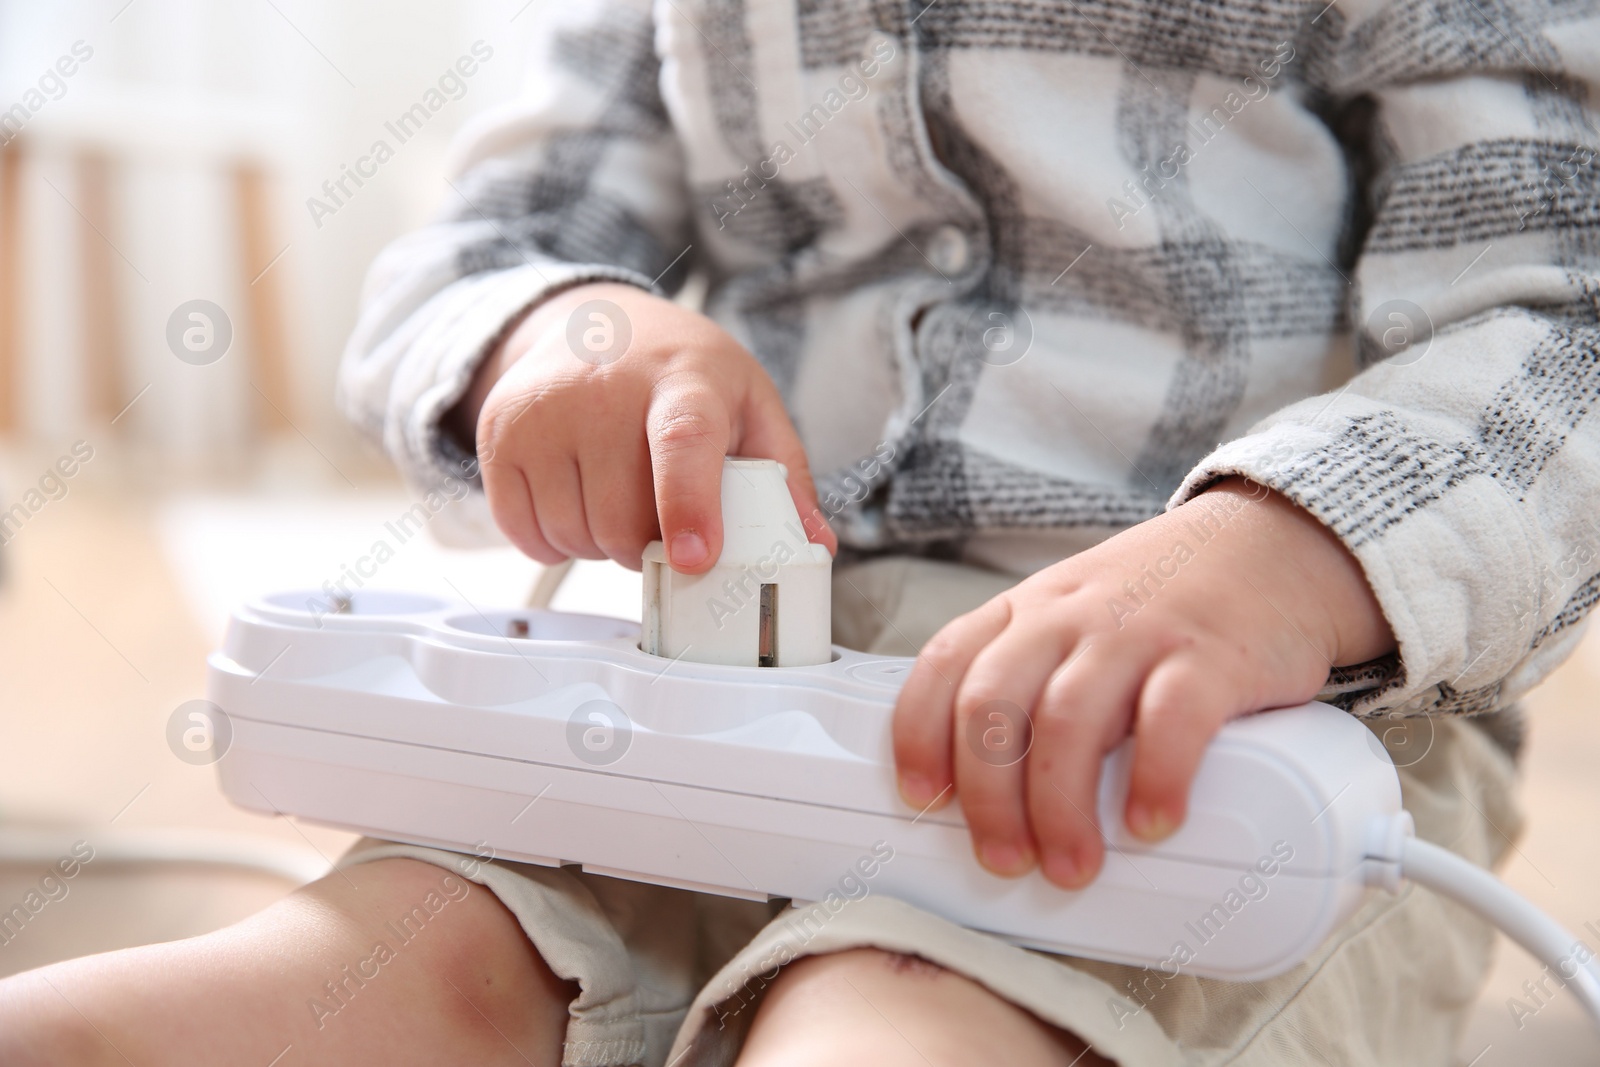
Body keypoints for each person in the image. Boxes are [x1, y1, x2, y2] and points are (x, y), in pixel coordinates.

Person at [1, 0, 1588, 1062]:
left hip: (1222, 731)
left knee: (888, 1019)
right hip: (716, 672)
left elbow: (1564, 303)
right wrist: (556, 332)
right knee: (389, 966)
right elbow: (492, 237)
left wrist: (1289, 542)